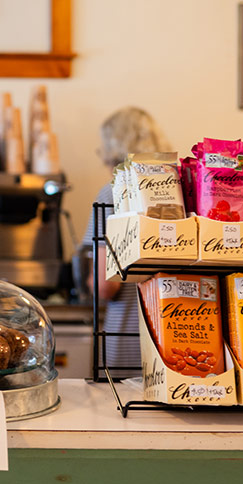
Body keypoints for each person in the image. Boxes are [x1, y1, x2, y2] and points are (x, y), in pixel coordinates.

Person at [81, 107, 171, 373]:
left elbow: (105, 286)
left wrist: (88, 281)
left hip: (128, 340)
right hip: (178, 333)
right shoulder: (177, 187)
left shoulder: (112, 193)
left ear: (112, 148)